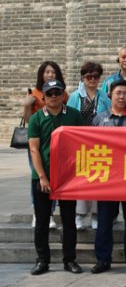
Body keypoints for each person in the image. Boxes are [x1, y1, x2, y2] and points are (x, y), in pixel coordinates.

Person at [90, 80, 126, 274]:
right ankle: (103, 259)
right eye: (118, 93)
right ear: (110, 95)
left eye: (125, 93)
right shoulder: (100, 119)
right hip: (107, 178)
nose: (122, 97)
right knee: (105, 220)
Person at [27, 79, 84, 275]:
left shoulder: (74, 115)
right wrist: (42, 177)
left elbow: (82, 143)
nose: (53, 96)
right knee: (42, 221)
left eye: (57, 92)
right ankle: (42, 260)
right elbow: (34, 150)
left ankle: (70, 260)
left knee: (69, 220)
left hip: (67, 176)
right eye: (49, 93)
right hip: (43, 176)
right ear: (43, 96)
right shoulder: (36, 118)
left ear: (63, 95)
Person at [23, 61, 68, 229]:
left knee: (55, 177)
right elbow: (28, 119)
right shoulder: (34, 93)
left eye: (53, 72)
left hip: (58, 143)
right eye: (47, 72)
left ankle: (50, 212)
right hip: (38, 139)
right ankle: (38, 212)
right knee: (38, 176)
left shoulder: (64, 93)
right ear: (41, 74)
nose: (50, 74)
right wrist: (26, 105)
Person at [67, 62, 112, 230]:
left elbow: (110, 115)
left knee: (98, 179)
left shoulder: (104, 97)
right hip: (80, 144)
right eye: (89, 76)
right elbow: (70, 117)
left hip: (99, 144)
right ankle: (79, 215)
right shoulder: (75, 97)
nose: (92, 79)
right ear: (82, 78)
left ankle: (95, 215)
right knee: (82, 180)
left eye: (96, 76)